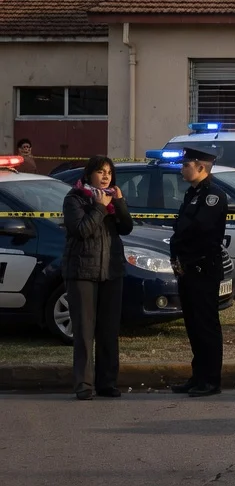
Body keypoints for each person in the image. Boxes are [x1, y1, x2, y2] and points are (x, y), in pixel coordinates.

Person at [61, 156, 133, 400]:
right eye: (100, 172)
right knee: (84, 332)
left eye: (109, 173)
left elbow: (126, 228)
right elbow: (82, 230)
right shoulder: (75, 198)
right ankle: (84, 385)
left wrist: (119, 203)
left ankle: (107, 383)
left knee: (109, 331)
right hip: (82, 272)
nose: (106, 176)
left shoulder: (112, 198)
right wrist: (99, 207)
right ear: (88, 174)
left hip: (111, 271)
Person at [168, 146, 228, 397]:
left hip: (204, 267)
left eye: (186, 165)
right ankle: (198, 375)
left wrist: (181, 238)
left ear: (201, 167)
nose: (182, 169)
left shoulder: (213, 195)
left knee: (206, 325)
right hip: (189, 268)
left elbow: (198, 228)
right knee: (193, 325)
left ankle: (211, 379)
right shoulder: (192, 194)